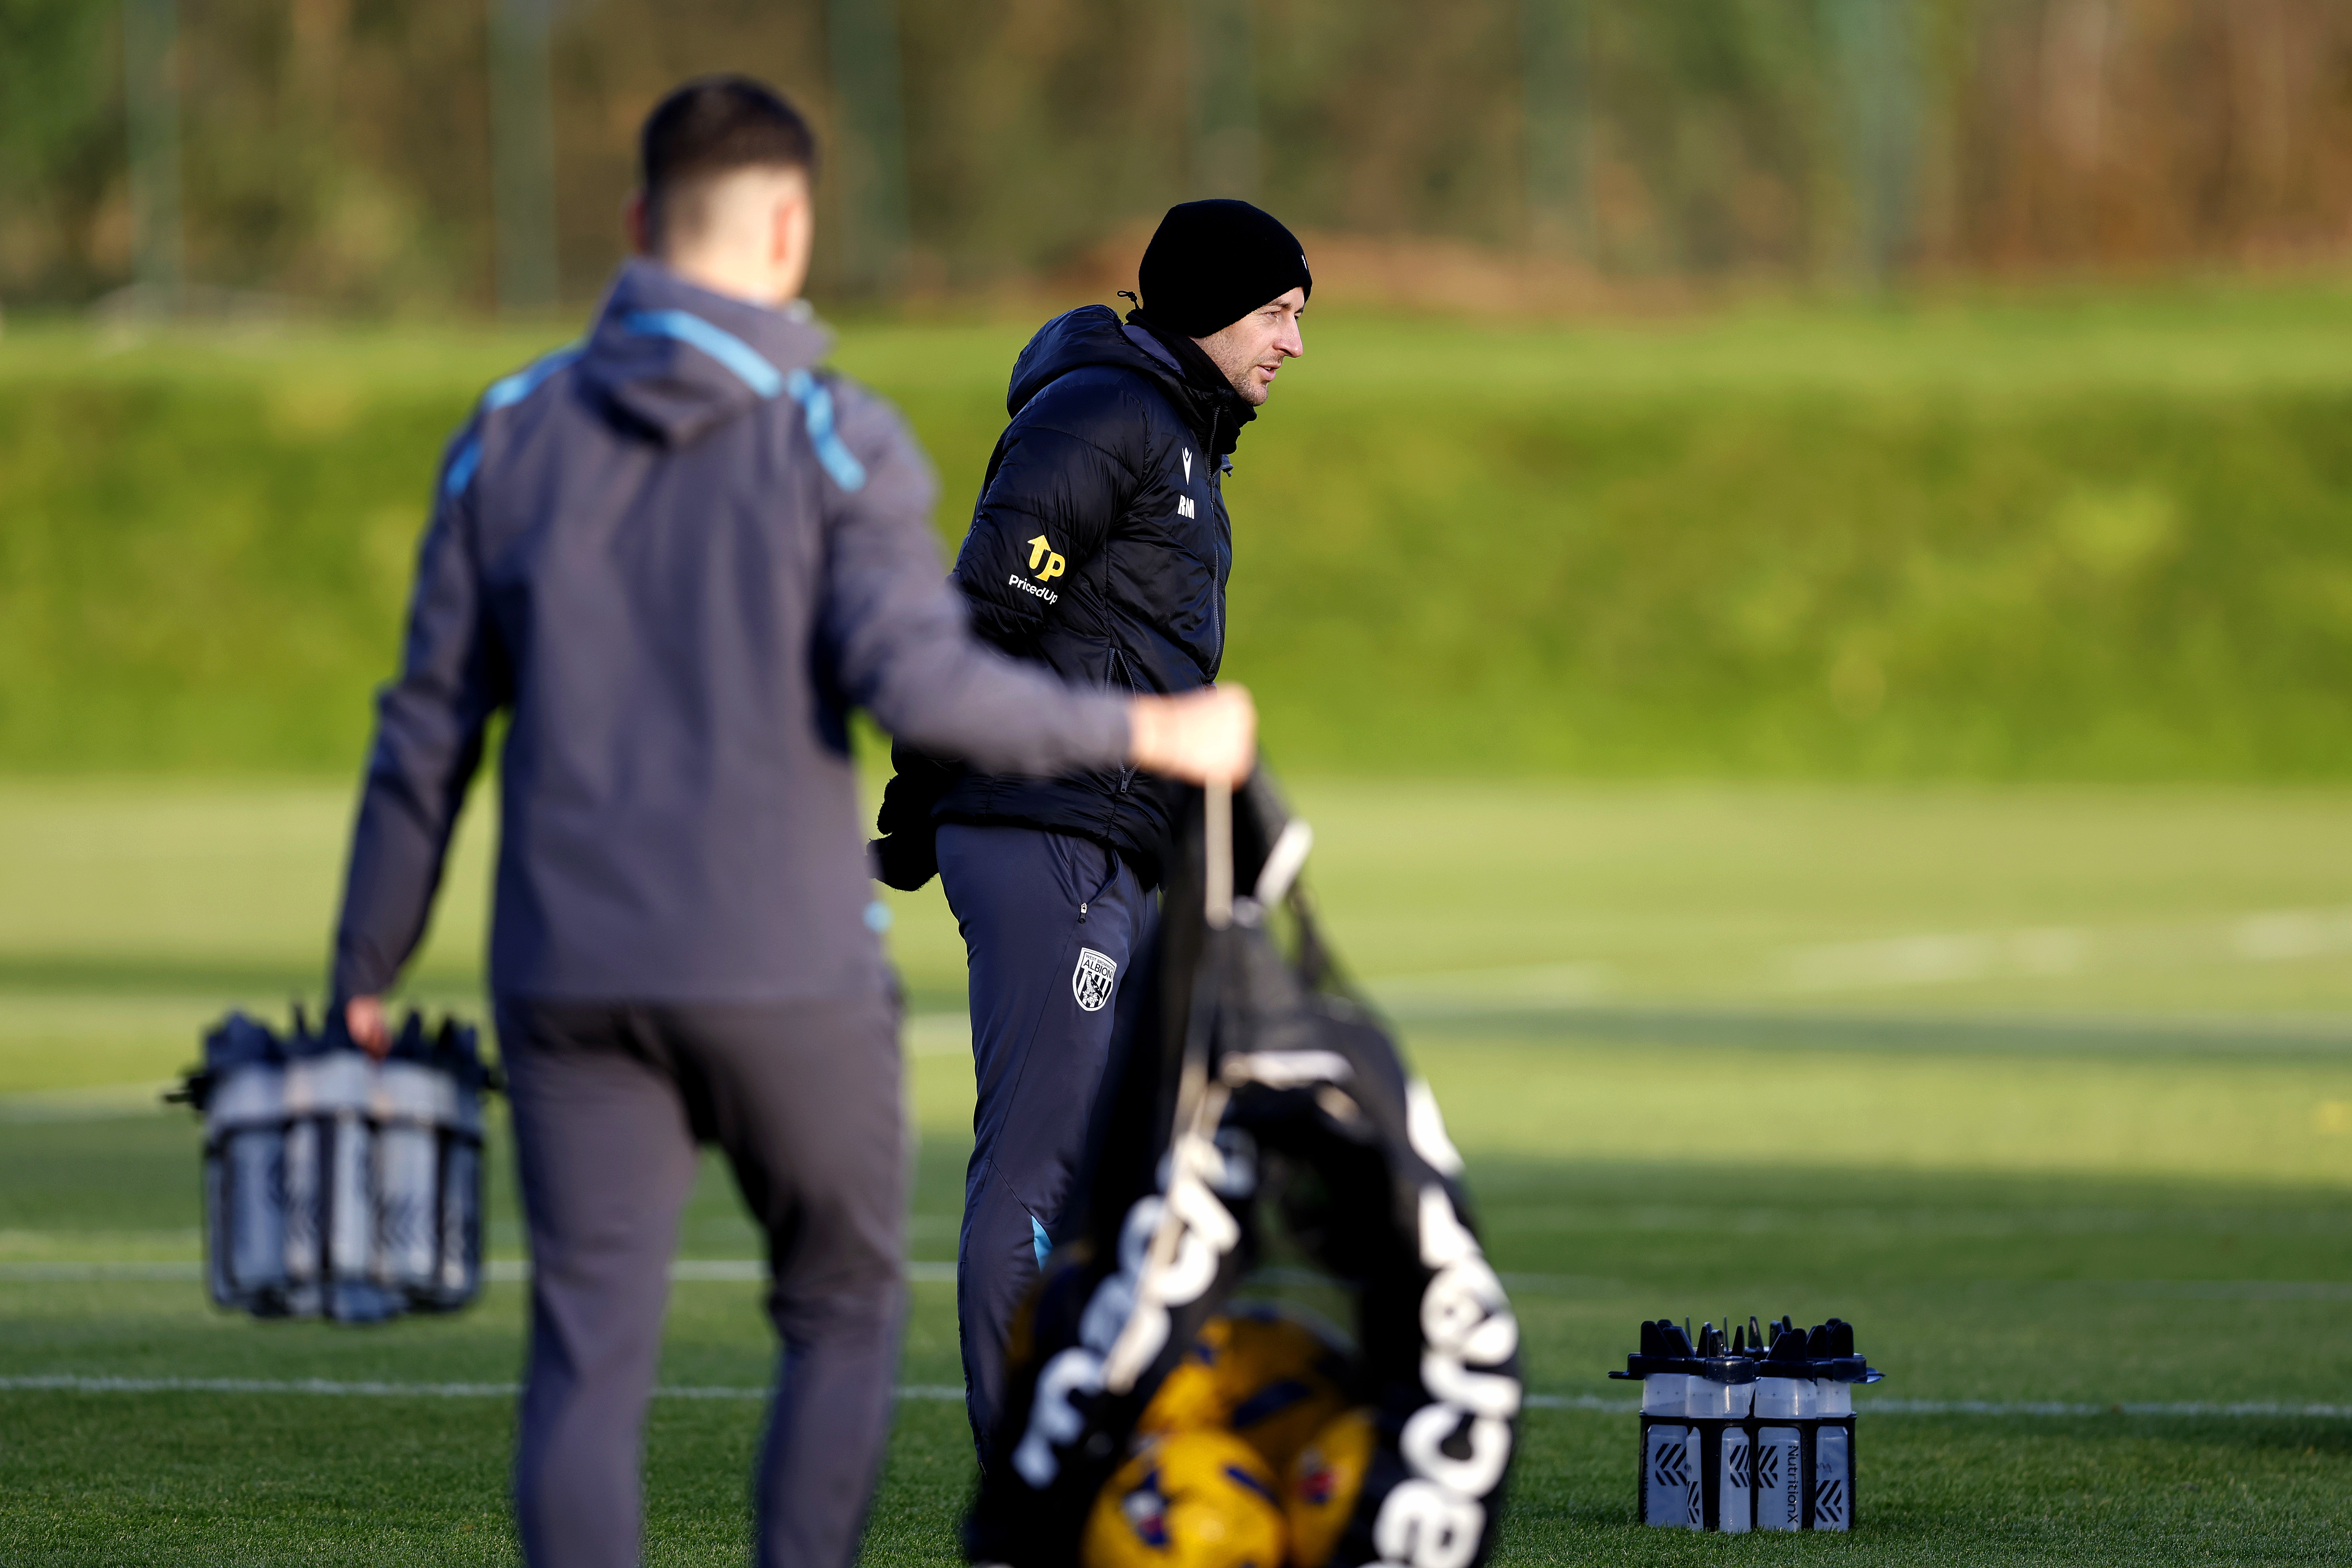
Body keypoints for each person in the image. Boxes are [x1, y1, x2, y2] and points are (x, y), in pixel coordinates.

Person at [326, 78, 1254, 1568]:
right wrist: (1141, 730)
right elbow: (934, 668)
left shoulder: (502, 432)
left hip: (564, 955)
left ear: (635, 223)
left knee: (587, 1342)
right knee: (838, 1302)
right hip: (779, 950)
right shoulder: (837, 439)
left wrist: (366, 963)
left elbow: (425, 729)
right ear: (792, 227)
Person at [869, 198, 1309, 1453]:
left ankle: (1095, 1449)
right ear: (1214, 307)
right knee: (1042, 1163)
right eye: (1276, 313)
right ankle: (1033, 1479)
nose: (1291, 344)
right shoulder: (1103, 415)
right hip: (1044, 833)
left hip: (1104, 841)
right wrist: (921, 805)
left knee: (1128, 1174)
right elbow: (972, 630)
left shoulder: (1177, 435)